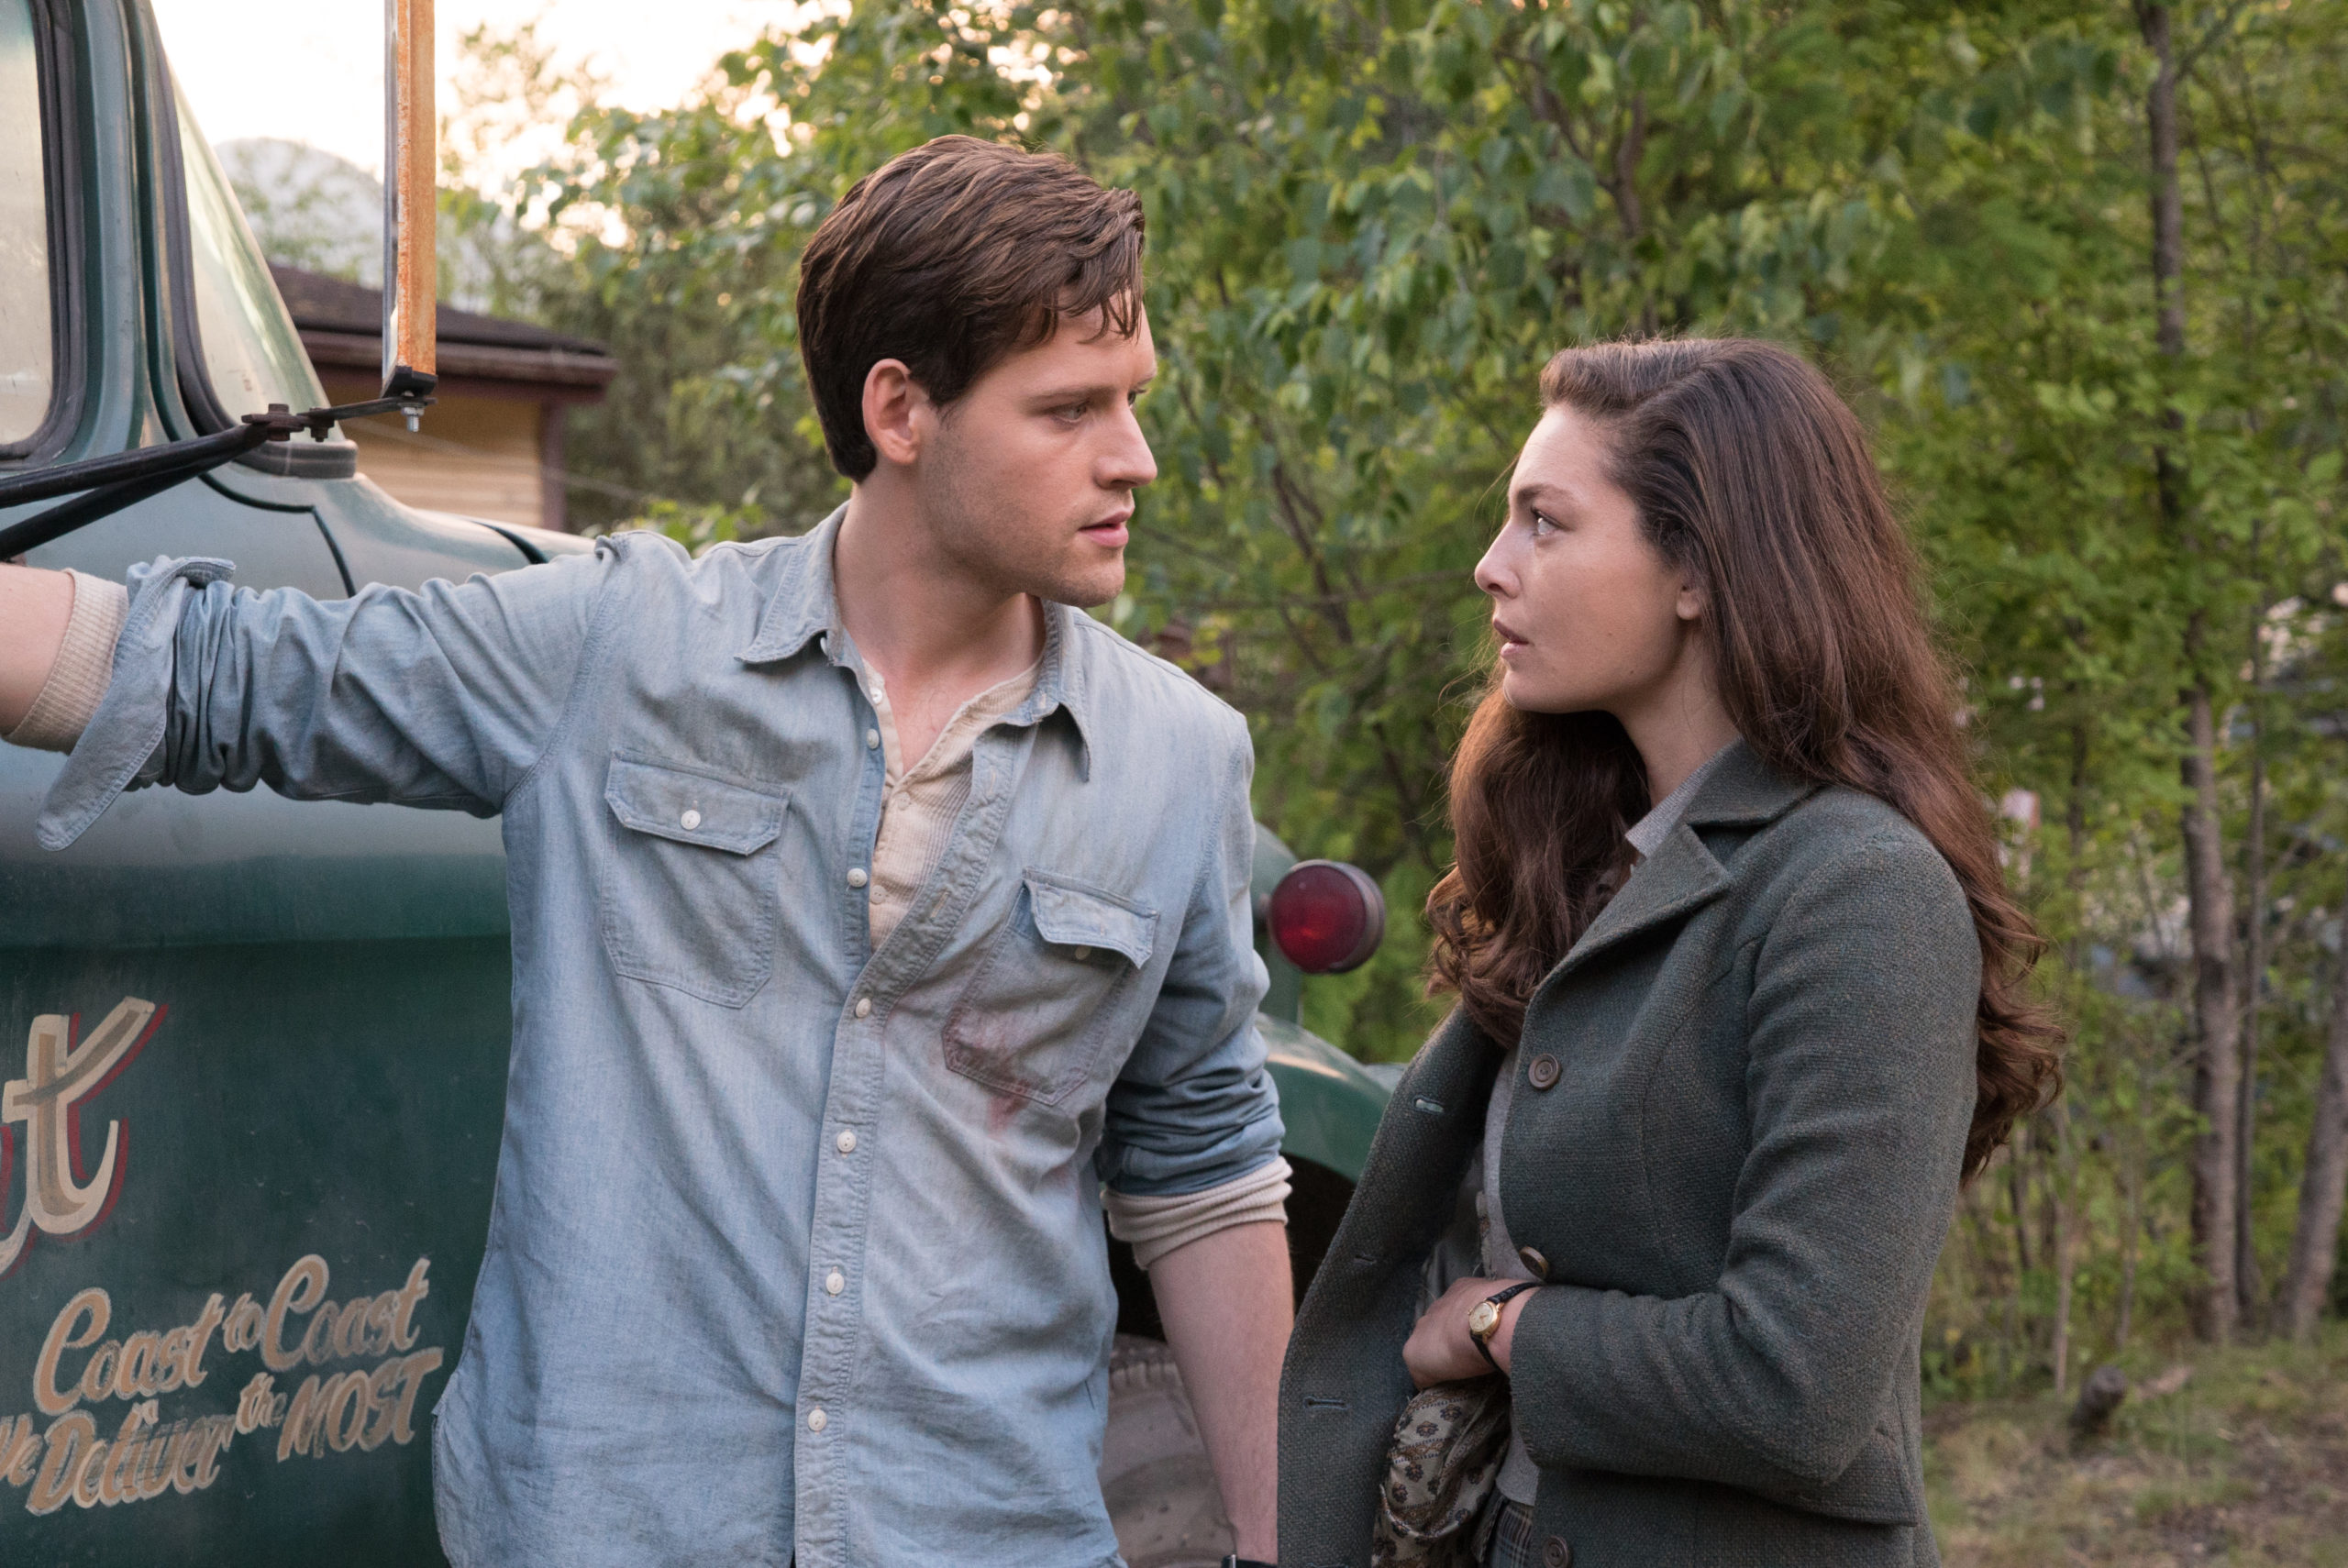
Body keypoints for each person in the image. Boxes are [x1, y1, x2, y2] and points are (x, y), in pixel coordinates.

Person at [0, 137, 1291, 1568]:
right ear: (902, 410)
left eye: (1134, 402)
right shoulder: (621, 649)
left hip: (984, 1533)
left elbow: (1208, 1171)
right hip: (609, 1527)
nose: (1136, 456)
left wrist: (1274, 1536)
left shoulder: (1181, 759)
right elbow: (224, 673)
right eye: (1072, 410)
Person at [1279, 338, 2064, 1568]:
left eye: (1545, 521)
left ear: (1697, 567)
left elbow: (1796, 1382)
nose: (1493, 568)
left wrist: (1501, 1326)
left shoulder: (1860, 889)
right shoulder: (1590, 865)